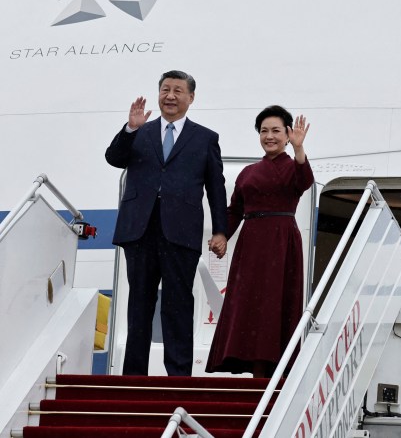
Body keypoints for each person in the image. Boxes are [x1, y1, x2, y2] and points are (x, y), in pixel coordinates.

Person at [105, 70, 228, 377]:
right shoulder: (140, 131)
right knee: (139, 305)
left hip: (181, 232)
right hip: (140, 230)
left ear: (191, 98)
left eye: (177, 90)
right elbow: (114, 158)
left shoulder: (205, 138)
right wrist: (130, 129)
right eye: (165, 89)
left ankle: (178, 377)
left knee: (177, 305)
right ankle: (133, 376)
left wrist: (221, 230)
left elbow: (216, 187)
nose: (170, 96)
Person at [206, 105, 313, 377]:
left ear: (288, 135)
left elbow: (305, 181)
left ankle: (272, 366)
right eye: (264, 131)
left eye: (276, 131)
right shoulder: (248, 172)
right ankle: (245, 360)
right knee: (247, 303)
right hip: (251, 244)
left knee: (276, 303)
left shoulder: (293, 166)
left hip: (281, 242)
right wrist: (222, 236)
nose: (269, 136)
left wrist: (300, 150)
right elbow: (234, 210)